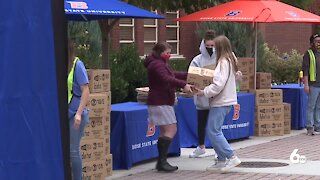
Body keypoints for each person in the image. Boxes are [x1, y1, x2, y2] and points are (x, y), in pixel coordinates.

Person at [144, 42, 193, 172]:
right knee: (171, 129)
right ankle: (162, 161)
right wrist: (183, 85)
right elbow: (167, 78)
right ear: (160, 53)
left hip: (160, 100)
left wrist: (190, 75)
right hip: (161, 101)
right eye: (167, 52)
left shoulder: (159, 63)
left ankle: (161, 161)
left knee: (164, 131)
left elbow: (172, 74)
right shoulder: (157, 65)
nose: (169, 55)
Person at [195, 35, 241, 171]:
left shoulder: (222, 62)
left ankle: (231, 156)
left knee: (213, 131)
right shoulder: (230, 60)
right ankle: (221, 159)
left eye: (214, 46)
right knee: (215, 130)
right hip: (226, 100)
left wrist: (204, 92)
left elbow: (218, 84)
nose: (212, 49)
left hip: (221, 101)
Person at [188, 30, 217, 158]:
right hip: (201, 96)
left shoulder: (220, 58)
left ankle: (218, 149)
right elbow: (192, 77)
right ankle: (201, 147)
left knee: (216, 126)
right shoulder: (197, 59)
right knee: (201, 123)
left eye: (212, 46)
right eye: (208, 46)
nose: (210, 48)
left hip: (216, 96)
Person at [67, 39, 90, 180]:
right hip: (65, 112)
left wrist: (79, 114)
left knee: (73, 150)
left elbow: (86, 91)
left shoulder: (77, 65)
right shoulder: (62, 64)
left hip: (76, 114)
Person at [302, 33, 320, 136]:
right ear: (312, 43)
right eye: (316, 41)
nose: (318, 43)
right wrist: (306, 84)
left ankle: (317, 127)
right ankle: (310, 127)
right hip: (313, 84)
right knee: (311, 106)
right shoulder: (308, 54)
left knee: (318, 107)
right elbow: (305, 70)